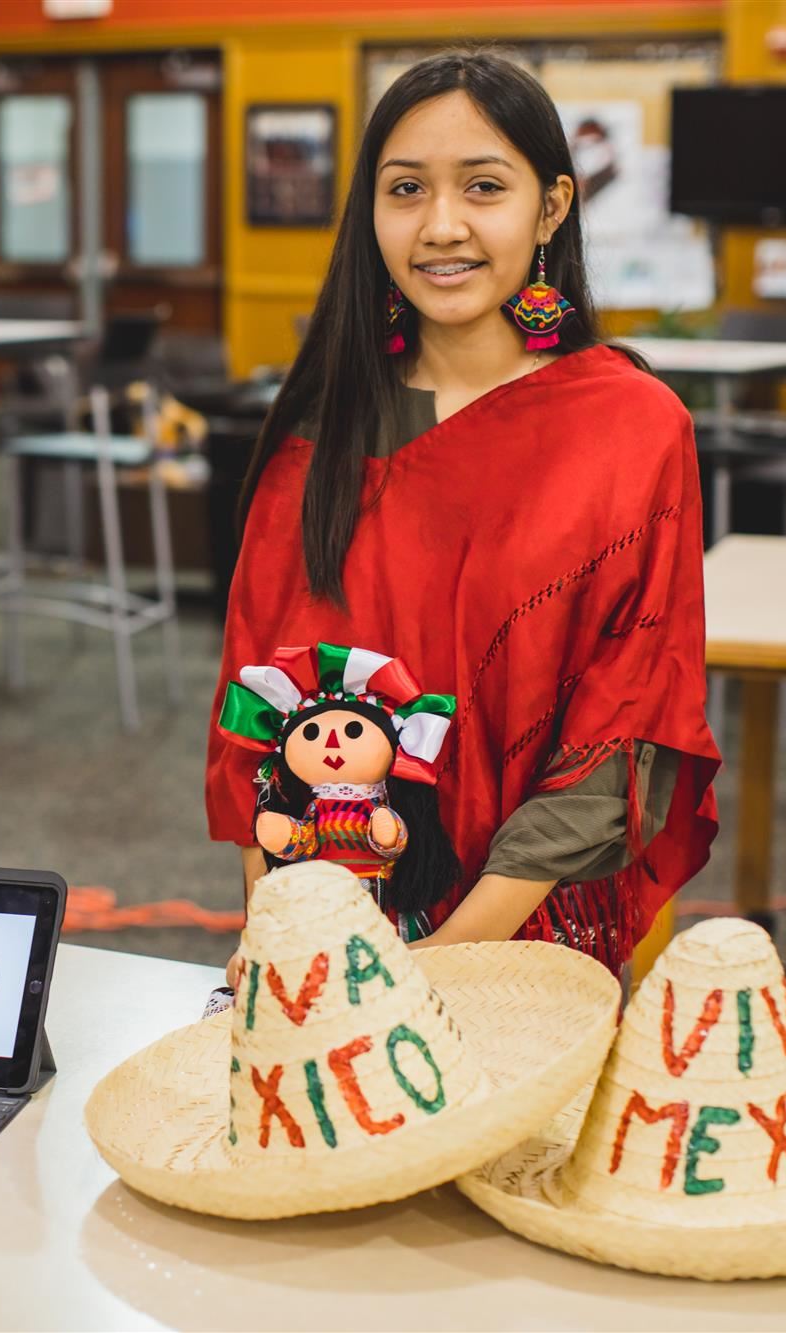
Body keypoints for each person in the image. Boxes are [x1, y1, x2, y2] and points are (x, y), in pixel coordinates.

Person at [207, 49, 719, 979]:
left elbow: (620, 735)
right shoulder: (319, 441)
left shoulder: (632, 428)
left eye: (484, 186)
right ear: (370, 212)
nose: (442, 227)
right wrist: (289, 935)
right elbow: (258, 715)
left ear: (552, 207)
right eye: (406, 190)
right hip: (338, 934)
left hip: (533, 944)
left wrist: (441, 963)